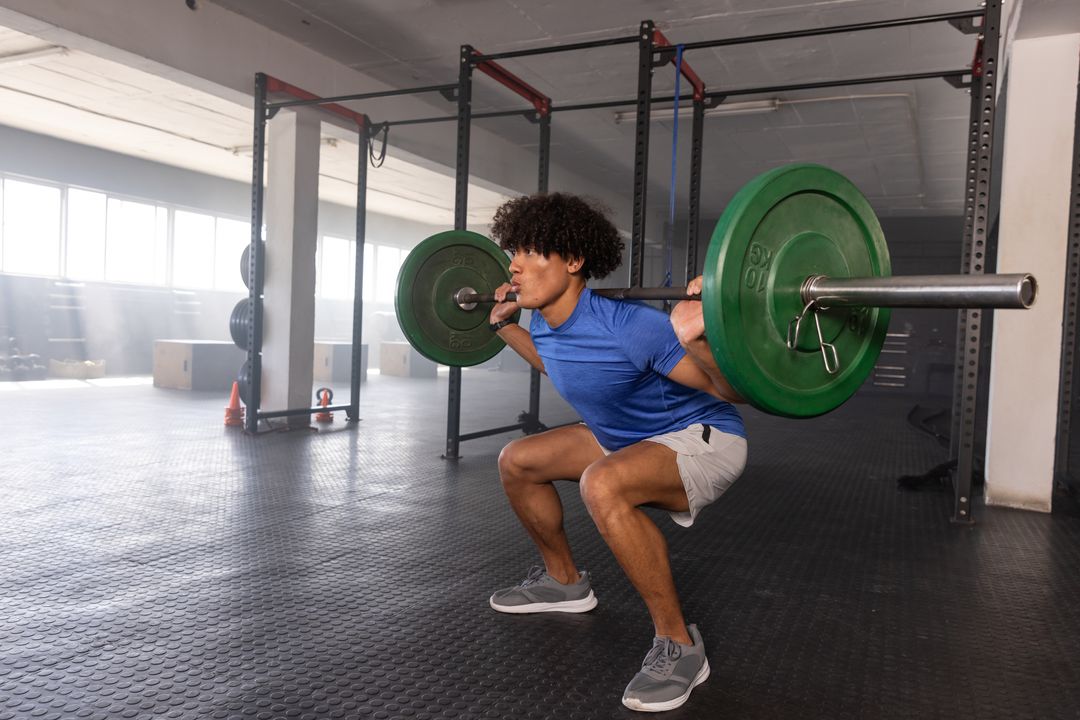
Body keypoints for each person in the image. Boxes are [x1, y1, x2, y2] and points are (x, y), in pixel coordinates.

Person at [484, 192, 748, 712]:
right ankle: (564, 583)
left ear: (574, 261)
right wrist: (504, 325)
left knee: (601, 482)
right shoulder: (543, 320)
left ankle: (679, 645)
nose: (514, 264)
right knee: (517, 461)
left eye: (531, 251)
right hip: (624, 434)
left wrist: (698, 336)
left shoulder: (632, 326)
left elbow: (729, 392)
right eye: (513, 250)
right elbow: (558, 365)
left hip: (702, 437)